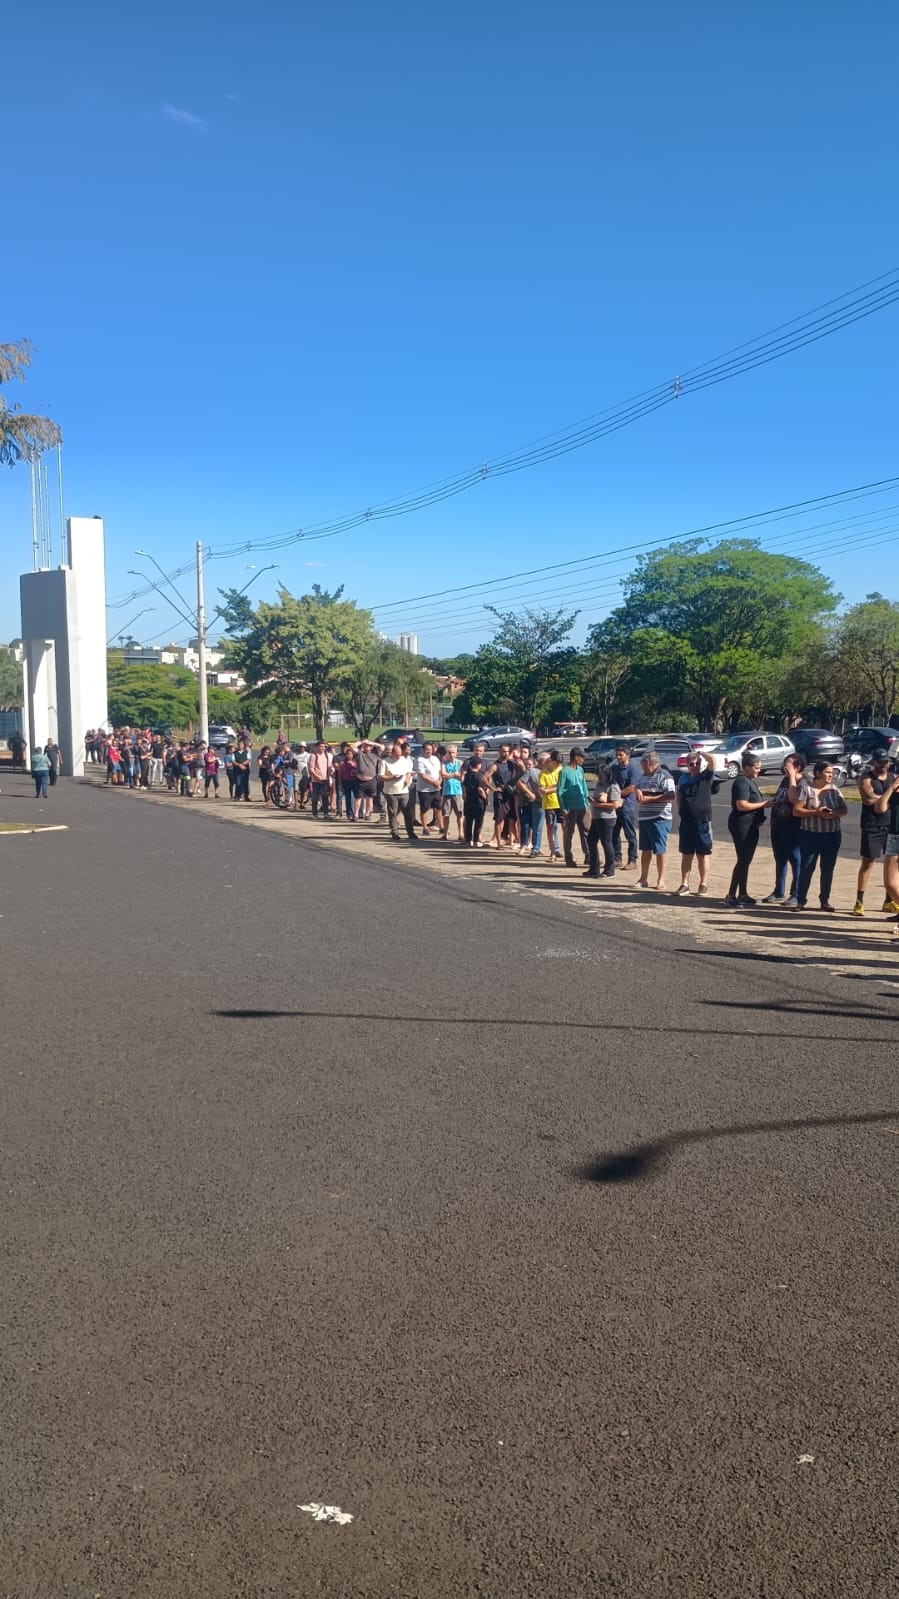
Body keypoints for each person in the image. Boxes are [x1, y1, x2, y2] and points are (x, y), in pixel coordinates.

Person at [792, 760, 848, 912]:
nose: (831, 775)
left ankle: (825, 901)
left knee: (828, 868)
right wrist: (816, 812)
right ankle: (800, 900)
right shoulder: (806, 789)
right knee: (807, 867)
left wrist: (833, 814)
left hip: (831, 836)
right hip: (810, 835)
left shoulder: (835, 790)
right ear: (817, 773)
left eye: (832, 773)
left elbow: (844, 809)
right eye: (827, 772)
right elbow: (796, 811)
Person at [853, 753, 899, 916]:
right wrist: (888, 797)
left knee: (892, 867)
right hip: (872, 825)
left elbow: (878, 800)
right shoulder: (866, 778)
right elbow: (868, 799)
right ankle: (859, 901)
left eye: (886, 762)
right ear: (873, 762)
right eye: (880, 762)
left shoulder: (893, 777)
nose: (884, 765)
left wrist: (884, 799)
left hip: (891, 826)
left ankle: (889, 901)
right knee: (868, 863)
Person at [725, 751, 770, 906]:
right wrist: (764, 805)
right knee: (743, 860)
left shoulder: (750, 780)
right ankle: (731, 895)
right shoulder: (742, 782)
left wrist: (759, 818)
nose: (759, 770)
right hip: (741, 825)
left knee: (746, 860)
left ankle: (743, 893)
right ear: (746, 767)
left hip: (751, 826)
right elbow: (741, 805)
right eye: (756, 768)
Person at [674, 749, 717, 895]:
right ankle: (684, 883)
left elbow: (712, 761)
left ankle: (703, 883)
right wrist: (679, 809)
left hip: (702, 823)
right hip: (686, 823)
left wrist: (701, 754)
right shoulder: (683, 778)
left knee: (703, 854)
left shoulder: (706, 776)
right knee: (686, 854)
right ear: (687, 765)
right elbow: (678, 794)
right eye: (691, 764)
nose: (695, 766)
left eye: (697, 763)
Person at [764, 754, 805, 906]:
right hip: (778, 826)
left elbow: (794, 799)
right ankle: (778, 891)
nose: (784, 767)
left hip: (792, 827)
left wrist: (793, 777)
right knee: (780, 859)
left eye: (788, 764)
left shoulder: (802, 782)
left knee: (795, 860)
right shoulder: (785, 780)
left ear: (797, 767)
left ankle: (796, 894)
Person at [635, 752, 676, 889]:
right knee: (645, 850)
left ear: (650, 763)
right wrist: (637, 792)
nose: (641, 764)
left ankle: (661, 880)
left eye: (643, 762)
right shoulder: (643, 777)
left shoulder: (664, 776)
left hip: (659, 818)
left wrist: (650, 799)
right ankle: (643, 878)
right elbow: (639, 789)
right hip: (644, 817)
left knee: (659, 850)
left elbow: (671, 795)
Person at [584, 764, 621, 878]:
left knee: (606, 843)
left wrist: (598, 804)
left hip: (607, 818)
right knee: (591, 841)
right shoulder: (599, 784)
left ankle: (610, 870)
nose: (599, 777)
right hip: (597, 817)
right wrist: (593, 800)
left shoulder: (613, 786)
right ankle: (594, 868)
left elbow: (615, 804)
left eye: (600, 775)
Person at [557, 747, 590, 868]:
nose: (583, 760)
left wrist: (587, 804)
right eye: (582, 757)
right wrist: (564, 808)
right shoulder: (564, 771)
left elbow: (584, 786)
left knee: (586, 831)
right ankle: (569, 858)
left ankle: (588, 855)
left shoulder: (580, 770)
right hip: (570, 808)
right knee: (569, 833)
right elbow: (560, 791)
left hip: (582, 806)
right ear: (576, 757)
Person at [609, 745, 640, 868]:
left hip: (627, 807)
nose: (618, 757)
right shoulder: (614, 768)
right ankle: (617, 858)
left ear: (628, 755)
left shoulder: (633, 769)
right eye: (617, 755)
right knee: (614, 834)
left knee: (630, 834)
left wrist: (616, 795)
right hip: (615, 807)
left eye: (620, 755)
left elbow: (632, 787)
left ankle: (632, 860)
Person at [380, 737, 416, 841]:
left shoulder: (404, 760)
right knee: (393, 813)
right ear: (392, 753)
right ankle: (394, 832)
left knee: (407, 813)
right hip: (391, 792)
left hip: (404, 790)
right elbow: (381, 776)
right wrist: (392, 777)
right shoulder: (385, 762)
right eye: (397, 754)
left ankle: (411, 832)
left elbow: (408, 771)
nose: (399, 756)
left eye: (400, 754)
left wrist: (408, 778)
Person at [516, 754, 544, 858]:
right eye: (526, 764)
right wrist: (529, 793)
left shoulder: (539, 772)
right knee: (526, 825)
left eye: (530, 764)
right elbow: (518, 784)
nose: (528, 766)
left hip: (538, 802)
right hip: (526, 802)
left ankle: (537, 846)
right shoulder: (529, 773)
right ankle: (524, 845)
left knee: (537, 826)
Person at [538, 750, 563, 863]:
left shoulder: (560, 770)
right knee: (550, 828)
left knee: (566, 827)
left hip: (561, 802)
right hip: (549, 805)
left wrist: (550, 788)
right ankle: (553, 852)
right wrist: (554, 787)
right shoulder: (542, 774)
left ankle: (568, 851)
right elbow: (542, 790)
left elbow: (561, 786)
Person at [415, 742, 442, 835]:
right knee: (424, 809)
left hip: (436, 789)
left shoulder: (435, 759)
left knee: (438, 808)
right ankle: (425, 827)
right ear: (423, 750)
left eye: (430, 750)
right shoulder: (420, 760)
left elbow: (440, 772)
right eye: (427, 750)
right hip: (424, 790)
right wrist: (434, 782)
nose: (429, 751)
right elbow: (423, 775)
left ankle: (441, 826)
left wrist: (439, 781)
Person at [462, 755, 489, 847]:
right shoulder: (479, 776)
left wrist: (465, 796)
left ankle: (468, 840)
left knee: (469, 820)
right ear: (478, 765)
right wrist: (486, 798)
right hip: (478, 801)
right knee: (478, 821)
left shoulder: (467, 775)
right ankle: (476, 840)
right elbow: (480, 790)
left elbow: (464, 787)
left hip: (469, 800)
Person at [440, 744, 465, 842]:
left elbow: (462, 777)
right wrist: (454, 774)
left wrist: (450, 775)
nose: (451, 754)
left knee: (459, 814)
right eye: (449, 753)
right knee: (446, 814)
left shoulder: (460, 763)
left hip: (458, 792)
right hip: (447, 792)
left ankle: (460, 833)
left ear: (456, 753)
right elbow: (443, 775)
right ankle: (445, 834)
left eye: (453, 752)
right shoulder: (444, 763)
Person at [355, 740, 379, 821]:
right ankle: (356, 815)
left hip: (371, 780)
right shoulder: (359, 754)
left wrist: (372, 743)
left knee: (370, 798)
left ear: (371, 747)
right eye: (366, 745)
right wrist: (362, 742)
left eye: (369, 746)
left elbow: (383, 747)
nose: (367, 747)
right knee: (358, 799)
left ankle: (367, 814)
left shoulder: (375, 755)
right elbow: (352, 747)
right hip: (360, 780)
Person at [308, 741, 332, 819]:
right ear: (317, 747)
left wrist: (329, 774)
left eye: (324, 746)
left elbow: (329, 767)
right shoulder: (314, 755)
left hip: (325, 779)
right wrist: (318, 777)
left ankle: (326, 813)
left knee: (325, 797)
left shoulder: (326, 755)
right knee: (315, 797)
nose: (323, 748)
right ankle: (314, 814)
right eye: (321, 746)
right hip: (316, 780)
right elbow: (311, 769)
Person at [338, 747, 360, 820]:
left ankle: (356, 813)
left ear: (353, 755)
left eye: (350, 754)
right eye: (347, 754)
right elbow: (340, 775)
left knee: (356, 798)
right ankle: (349, 814)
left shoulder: (356, 763)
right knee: (348, 798)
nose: (349, 756)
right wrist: (340, 784)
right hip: (346, 782)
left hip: (355, 782)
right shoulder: (342, 764)